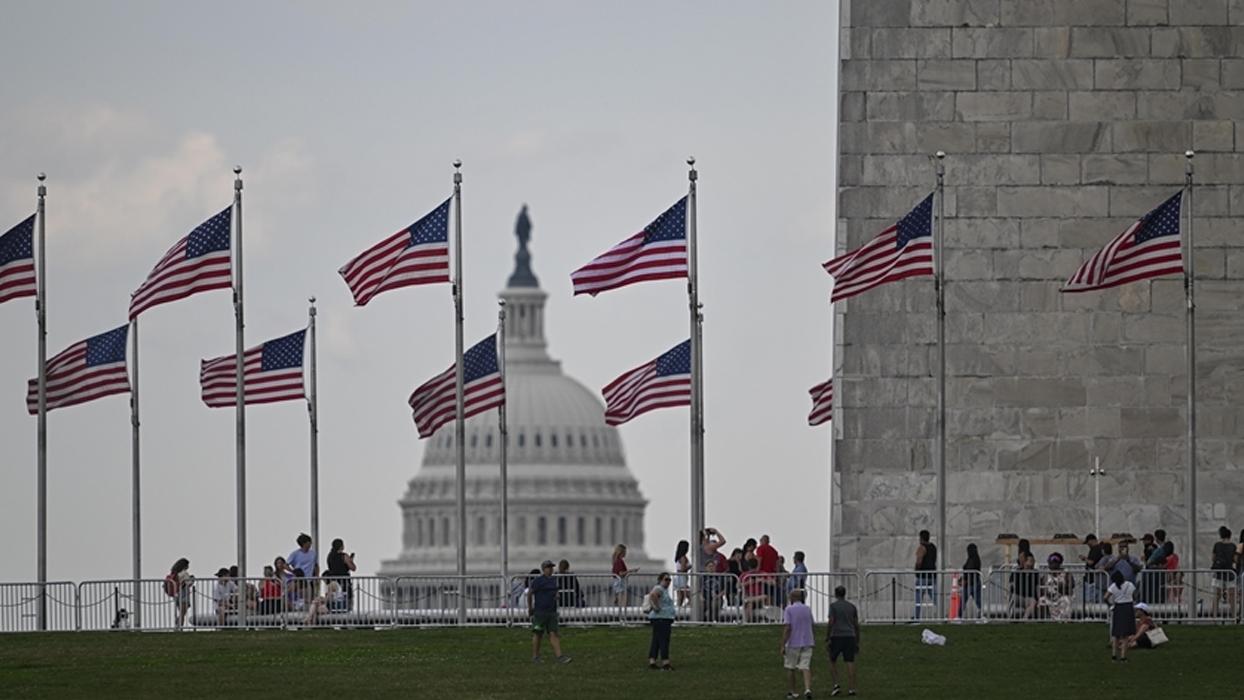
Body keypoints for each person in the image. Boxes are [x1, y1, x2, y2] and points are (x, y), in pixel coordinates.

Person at [528, 560, 571, 664]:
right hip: (540, 612)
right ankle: (535, 656)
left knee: (553, 633)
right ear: (544, 569)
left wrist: (557, 596)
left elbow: (556, 591)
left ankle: (560, 656)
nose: (551, 569)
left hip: (551, 611)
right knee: (538, 634)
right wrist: (530, 608)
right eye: (548, 567)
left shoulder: (554, 580)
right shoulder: (538, 581)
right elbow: (530, 593)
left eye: (551, 567)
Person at [781, 588, 815, 699]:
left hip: (793, 642)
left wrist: (783, 644)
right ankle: (807, 689)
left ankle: (792, 691)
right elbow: (811, 623)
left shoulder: (789, 609)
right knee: (805, 666)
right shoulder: (807, 609)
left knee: (791, 667)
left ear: (793, 598)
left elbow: (788, 627)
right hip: (807, 641)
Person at [827, 585, 859, 697]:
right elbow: (856, 624)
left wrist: (828, 636)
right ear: (845, 593)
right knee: (850, 661)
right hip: (850, 636)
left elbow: (831, 621)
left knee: (832, 660)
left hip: (837, 635)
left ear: (836, 594)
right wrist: (857, 639)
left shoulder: (833, 606)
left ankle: (836, 684)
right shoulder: (852, 607)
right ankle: (851, 688)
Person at [646, 572, 676, 670]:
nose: (668, 582)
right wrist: (656, 608)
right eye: (666, 579)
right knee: (664, 640)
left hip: (661, 618)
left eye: (669, 580)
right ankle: (665, 662)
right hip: (661, 618)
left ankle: (652, 660)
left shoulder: (663, 590)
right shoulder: (659, 588)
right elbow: (653, 596)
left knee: (657, 640)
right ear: (660, 580)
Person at [1106, 570, 1137, 662]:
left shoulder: (1113, 586)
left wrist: (1110, 605)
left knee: (1116, 633)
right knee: (1126, 634)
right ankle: (1123, 656)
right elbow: (1134, 595)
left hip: (1118, 607)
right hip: (1128, 607)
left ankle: (1114, 655)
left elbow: (1105, 597)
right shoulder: (1129, 585)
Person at [1039, 553, 1073, 621]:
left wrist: (1063, 587)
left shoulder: (1066, 573)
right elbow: (1041, 586)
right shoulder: (1046, 574)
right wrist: (1045, 591)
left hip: (1062, 596)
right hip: (1049, 597)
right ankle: (1043, 620)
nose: (1052, 564)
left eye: (1055, 563)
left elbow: (1071, 585)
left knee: (1065, 600)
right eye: (1050, 562)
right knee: (1041, 600)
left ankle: (1065, 620)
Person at [325, 538, 356, 610]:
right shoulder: (344, 556)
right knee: (347, 598)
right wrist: (351, 561)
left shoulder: (329, 556)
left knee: (335, 598)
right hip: (344, 581)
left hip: (333, 580)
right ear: (341, 546)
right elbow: (353, 568)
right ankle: (348, 609)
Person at [1211, 526, 1235, 617]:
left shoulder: (1217, 545)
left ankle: (1214, 618)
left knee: (1216, 597)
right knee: (1232, 597)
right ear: (1230, 536)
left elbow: (1213, 558)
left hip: (1218, 573)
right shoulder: (1233, 546)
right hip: (1230, 574)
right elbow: (1234, 559)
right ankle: (1233, 617)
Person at [913, 530, 937, 619]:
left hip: (923, 576)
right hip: (932, 575)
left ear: (921, 538)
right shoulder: (933, 547)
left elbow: (919, 561)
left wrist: (916, 570)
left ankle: (916, 617)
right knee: (935, 597)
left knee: (918, 598)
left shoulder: (921, 548)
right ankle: (942, 615)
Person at [1011, 540, 1038, 619]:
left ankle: (1025, 618)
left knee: (1033, 602)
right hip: (1018, 595)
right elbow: (1013, 584)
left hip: (1028, 597)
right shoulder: (1017, 572)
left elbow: (1037, 586)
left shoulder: (1034, 573)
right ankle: (1012, 616)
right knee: (1013, 598)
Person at [164, 558, 193, 628]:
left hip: (176, 593)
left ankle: (178, 624)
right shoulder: (184, 573)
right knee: (182, 613)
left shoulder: (174, 573)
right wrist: (192, 579)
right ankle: (179, 626)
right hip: (184, 593)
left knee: (181, 612)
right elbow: (188, 583)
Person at [958, 543, 981, 618]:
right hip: (975, 582)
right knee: (978, 601)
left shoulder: (971, 560)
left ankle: (959, 616)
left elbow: (969, 571)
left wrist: (965, 581)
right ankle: (982, 614)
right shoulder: (975, 559)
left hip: (970, 584)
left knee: (963, 601)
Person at [1080, 534, 1105, 603]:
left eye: (1088, 542)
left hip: (1092, 580)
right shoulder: (1098, 549)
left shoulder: (1096, 549)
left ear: (1092, 540)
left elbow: (1091, 562)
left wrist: (1084, 558)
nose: (1088, 544)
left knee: (1090, 602)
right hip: (1095, 580)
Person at [672, 540, 692, 607]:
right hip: (682, 578)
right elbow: (683, 569)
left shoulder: (679, 557)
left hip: (679, 578)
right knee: (691, 597)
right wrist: (690, 566)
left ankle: (678, 609)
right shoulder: (683, 558)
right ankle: (684, 608)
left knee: (680, 598)